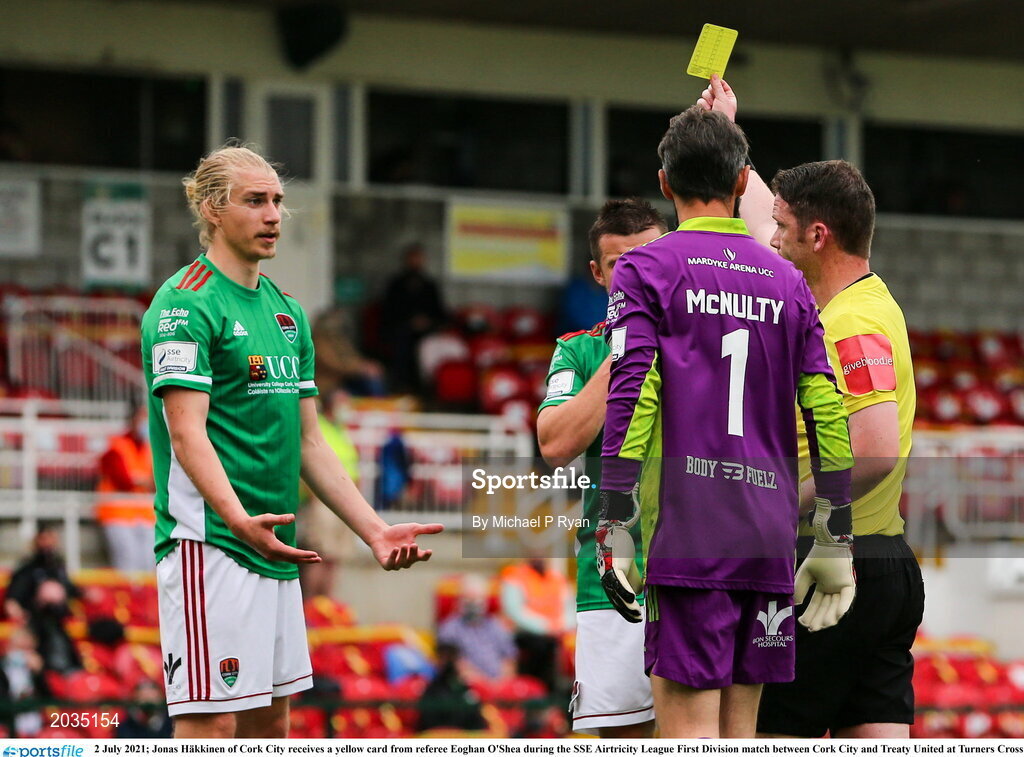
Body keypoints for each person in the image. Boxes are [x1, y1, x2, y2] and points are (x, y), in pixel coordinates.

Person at [141, 143, 442, 739]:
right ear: (212, 209)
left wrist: (374, 529)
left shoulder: (288, 313)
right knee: (210, 723)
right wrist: (237, 520)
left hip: (275, 549)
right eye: (255, 201)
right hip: (210, 546)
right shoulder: (183, 303)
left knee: (271, 722)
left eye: (277, 201)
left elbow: (310, 443)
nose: (274, 215)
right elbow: (186, 432)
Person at [598, 107, 856, 738]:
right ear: (743, 182)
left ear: (664, 182)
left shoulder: (645, 268)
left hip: (689, 535)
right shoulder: (789, 281)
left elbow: (633, 394)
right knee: (741, 738)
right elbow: (827, 407)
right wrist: (836, 531)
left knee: (688, 736)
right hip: (766, 537)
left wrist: (615, 518)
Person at [697, 75, 925, 739]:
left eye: (784, 229)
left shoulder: (850, 324)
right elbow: (762, 218)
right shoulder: (860, 299)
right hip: (884, 565)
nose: (771, 238)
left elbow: (874, 450)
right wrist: (728, 138)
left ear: (818, 235)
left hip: (824, 562)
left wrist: (776, 505)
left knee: (762, 735)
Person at [536, 197, 668, 737]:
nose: (638, 276)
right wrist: (625, 351)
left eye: (650, 259)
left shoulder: (711, 344)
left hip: (702, 568)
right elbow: (555, 445)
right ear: (598, 273)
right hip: (612, 577)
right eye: (621, 265)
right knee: (624, 738)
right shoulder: (579, 352)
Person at [4, 527, 83, 675]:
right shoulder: (28, 568)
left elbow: (72, 591)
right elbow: (13, 599)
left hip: (57, 623)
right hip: (34, 622)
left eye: (51, 539)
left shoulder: (58, 568)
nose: (48, 544)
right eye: (44, 539)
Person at [498, 557, 574, 695]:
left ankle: (554, 694)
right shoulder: (515, 576)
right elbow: (515, 611)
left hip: (556, 634)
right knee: (540, 647)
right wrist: (546, 627)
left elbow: (570, 608)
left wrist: (559, 626)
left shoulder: (557, 577)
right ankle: (533, 693)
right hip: (528, 636)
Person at [96, 401, 156, 572]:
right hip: (118, 513)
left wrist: (139, 480)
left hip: (145, 514)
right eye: (142, 417)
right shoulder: (115, 445)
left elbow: (158, 481)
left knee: (149, 562)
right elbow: (122, 480)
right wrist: (143, 481)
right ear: (133, 419)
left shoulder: (151, 446)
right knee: (127, 562)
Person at [380, 242, 446, 393]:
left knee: (430, 345)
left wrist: (427, 321)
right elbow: (389, 311)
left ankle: (426, 388)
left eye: (418, 258)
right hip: (401, 328)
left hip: (427, 330)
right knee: (401, 341)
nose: (415, 261)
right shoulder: (396, 284)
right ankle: (401, 385)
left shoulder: (429, 285)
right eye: (412, 258)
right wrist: (410, 321)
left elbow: (439, 312)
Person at [436, 574, 517, 683]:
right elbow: (454, 664)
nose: (473, 603)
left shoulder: (496, 626)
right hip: (468, 685)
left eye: (477, 599)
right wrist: (482, 684)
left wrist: (503, 682)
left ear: (485, 601)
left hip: (499, 684)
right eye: (468, 598)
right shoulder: (450, 629)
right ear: (459, 601)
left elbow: (509, 659)